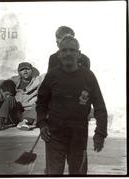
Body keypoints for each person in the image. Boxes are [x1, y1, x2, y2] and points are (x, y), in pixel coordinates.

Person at [36, 35, 108, 175]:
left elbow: (100, 107)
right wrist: (42, 123)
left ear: (79, 54)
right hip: (54, 135)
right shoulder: (52, 76)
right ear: (59, 54)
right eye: (64, 50)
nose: (68, 53)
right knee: (53, 173)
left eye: (72, 50)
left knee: (78, 174)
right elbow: (41, 103)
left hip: (78, 135)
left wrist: (100, 133)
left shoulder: (88, 76)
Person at [11, 62, 43, 130]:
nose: (25, 71)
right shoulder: (15, 81)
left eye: (27, 69)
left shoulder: (38, 80)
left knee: (40, 104)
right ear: (19, 72)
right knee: (9, 99)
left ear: (32, 71)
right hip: (18, 111)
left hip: (31, 112)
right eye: (22, 70)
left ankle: (25, 122)